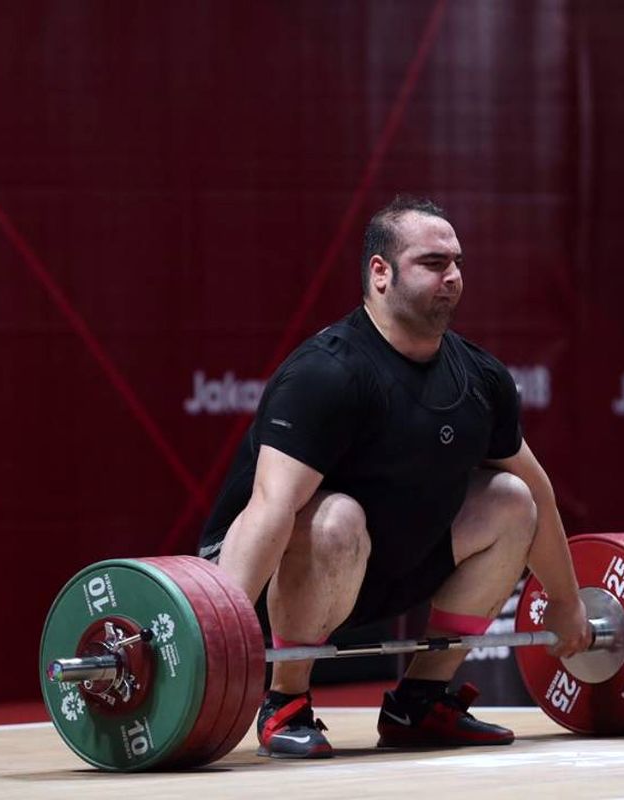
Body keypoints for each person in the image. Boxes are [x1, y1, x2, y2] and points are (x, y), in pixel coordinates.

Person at [198, 195, 591, 758]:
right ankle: (285, 701)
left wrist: (567, 601)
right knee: (336, 516)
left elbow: (541, 492)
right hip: (262, 576)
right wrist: (220, 634)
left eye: (456, 262)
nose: (452, 277)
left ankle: (421, 702)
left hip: (376, 572)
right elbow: (270, 509)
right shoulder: (327, 374)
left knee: (511, 499)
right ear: (379, 273)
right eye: (433, 264)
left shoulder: (480, 378)